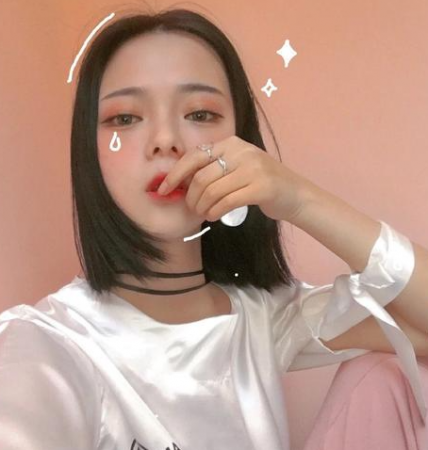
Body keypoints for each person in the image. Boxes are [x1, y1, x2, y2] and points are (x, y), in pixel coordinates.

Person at [0, 7, 427, 450]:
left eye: (200, 114)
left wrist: (299, 199)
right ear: (90, 151)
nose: (165, 140)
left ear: (242, 141)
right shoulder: (47, 344)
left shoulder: (264, 319)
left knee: (384, 375)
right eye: (125, 118)